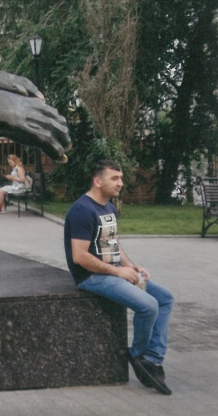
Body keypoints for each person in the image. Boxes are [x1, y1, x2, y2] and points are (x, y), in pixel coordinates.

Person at [64, 159, 174, 395]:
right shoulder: (82, 210)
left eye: (121, 178)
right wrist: (117, 272)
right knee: (149, 306)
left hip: (113, 272)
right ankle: (136, 355)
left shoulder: (109, 208)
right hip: (92, 277)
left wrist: (132, 268)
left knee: (164, 298)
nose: (120, 183)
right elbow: (80, 257)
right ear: (97, 181)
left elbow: (112, 244)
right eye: (114, 178)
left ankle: (152, 360)